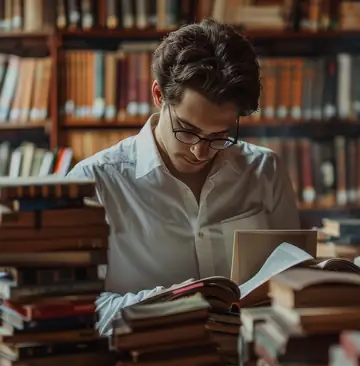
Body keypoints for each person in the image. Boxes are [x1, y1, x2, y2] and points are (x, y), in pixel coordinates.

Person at [67, 19, 300, 335]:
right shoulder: (95, 183)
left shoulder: (265, 171)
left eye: (219, 135)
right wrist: (175, 305)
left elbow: (292, 282)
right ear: (158, 96)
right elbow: (76, 309)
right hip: (145, 365)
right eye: (188, 131)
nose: (201, 151)